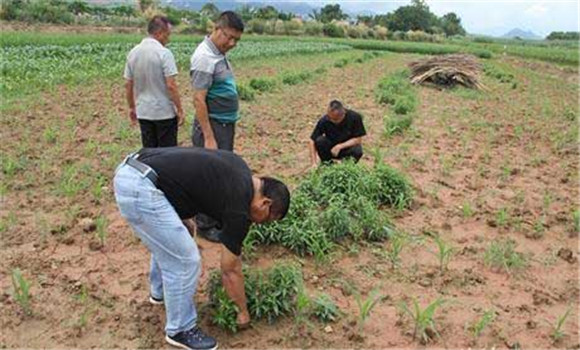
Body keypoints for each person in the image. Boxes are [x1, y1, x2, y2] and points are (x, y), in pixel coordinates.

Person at [113, 147, 290, 350]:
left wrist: (182, 216)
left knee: (173, 242)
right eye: (268, 219)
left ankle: (159, 293)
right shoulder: (239, 207)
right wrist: (243, 313)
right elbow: (230, 269)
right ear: (265, 203)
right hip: (140, 188)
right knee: (186, 260)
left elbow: (194, 174)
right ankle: (180, 330)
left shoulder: (241, 170)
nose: (262, 224)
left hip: (134, 168)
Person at [189, 11, 244, 242]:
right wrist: (209, 137)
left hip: (224, 124)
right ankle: (204, 224)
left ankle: (214, 215)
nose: (232, 44)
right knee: (209, 176)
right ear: (216, 29)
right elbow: (198, 100)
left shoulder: (218, 53)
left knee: (221, 173)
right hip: (213, 127)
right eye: (229, 37)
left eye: (236, 41)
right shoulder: (204, 57)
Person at [124, 15, 184, 148]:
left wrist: (132, 107)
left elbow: (128, 84)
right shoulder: (164, 53)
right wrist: (179, 109)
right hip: (164, 113)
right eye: (167, 35)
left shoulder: (133, 53)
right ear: (159, 33)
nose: (168, 39)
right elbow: (171, 85)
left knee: (149, 152)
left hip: (144, 112)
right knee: (167, 154)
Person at [309, 100, 367, 167]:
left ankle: (346, 167)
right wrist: (313, 163)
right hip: (331, 147)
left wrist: (340, 146)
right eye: (330, 117)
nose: (331, 120)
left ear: (343, 114)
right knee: (320, 140)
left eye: (335, 119)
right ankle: (327, 165)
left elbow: (358, 139)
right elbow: (312, 140)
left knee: (357, 150)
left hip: (347, 147)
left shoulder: (354, 117)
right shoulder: (325, 120)